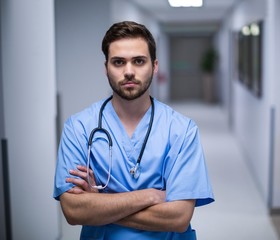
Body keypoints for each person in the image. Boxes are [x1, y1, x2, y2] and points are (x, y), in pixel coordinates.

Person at [53, 21, 214, 239]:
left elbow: (178, 217)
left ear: (154, 66)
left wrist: (98, 205)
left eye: (139, 61)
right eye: (118, 62)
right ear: (106, 67)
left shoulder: (182, 130)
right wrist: (149, 196)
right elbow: (73, 211)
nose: (129, 71)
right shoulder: (79, 128)